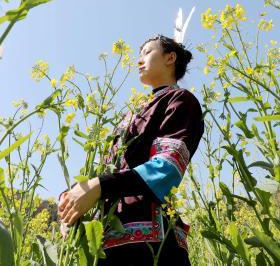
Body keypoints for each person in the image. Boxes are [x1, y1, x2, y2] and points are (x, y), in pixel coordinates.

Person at [57, 34, 205, 265]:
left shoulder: (180, 100)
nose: (139, 60)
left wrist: (98, 186)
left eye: (147, 52)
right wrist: (72, 202)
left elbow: (166, 168)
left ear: (170, 58)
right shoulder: (132, 112)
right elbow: (107, 169)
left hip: (150, 243)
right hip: (106, 239)